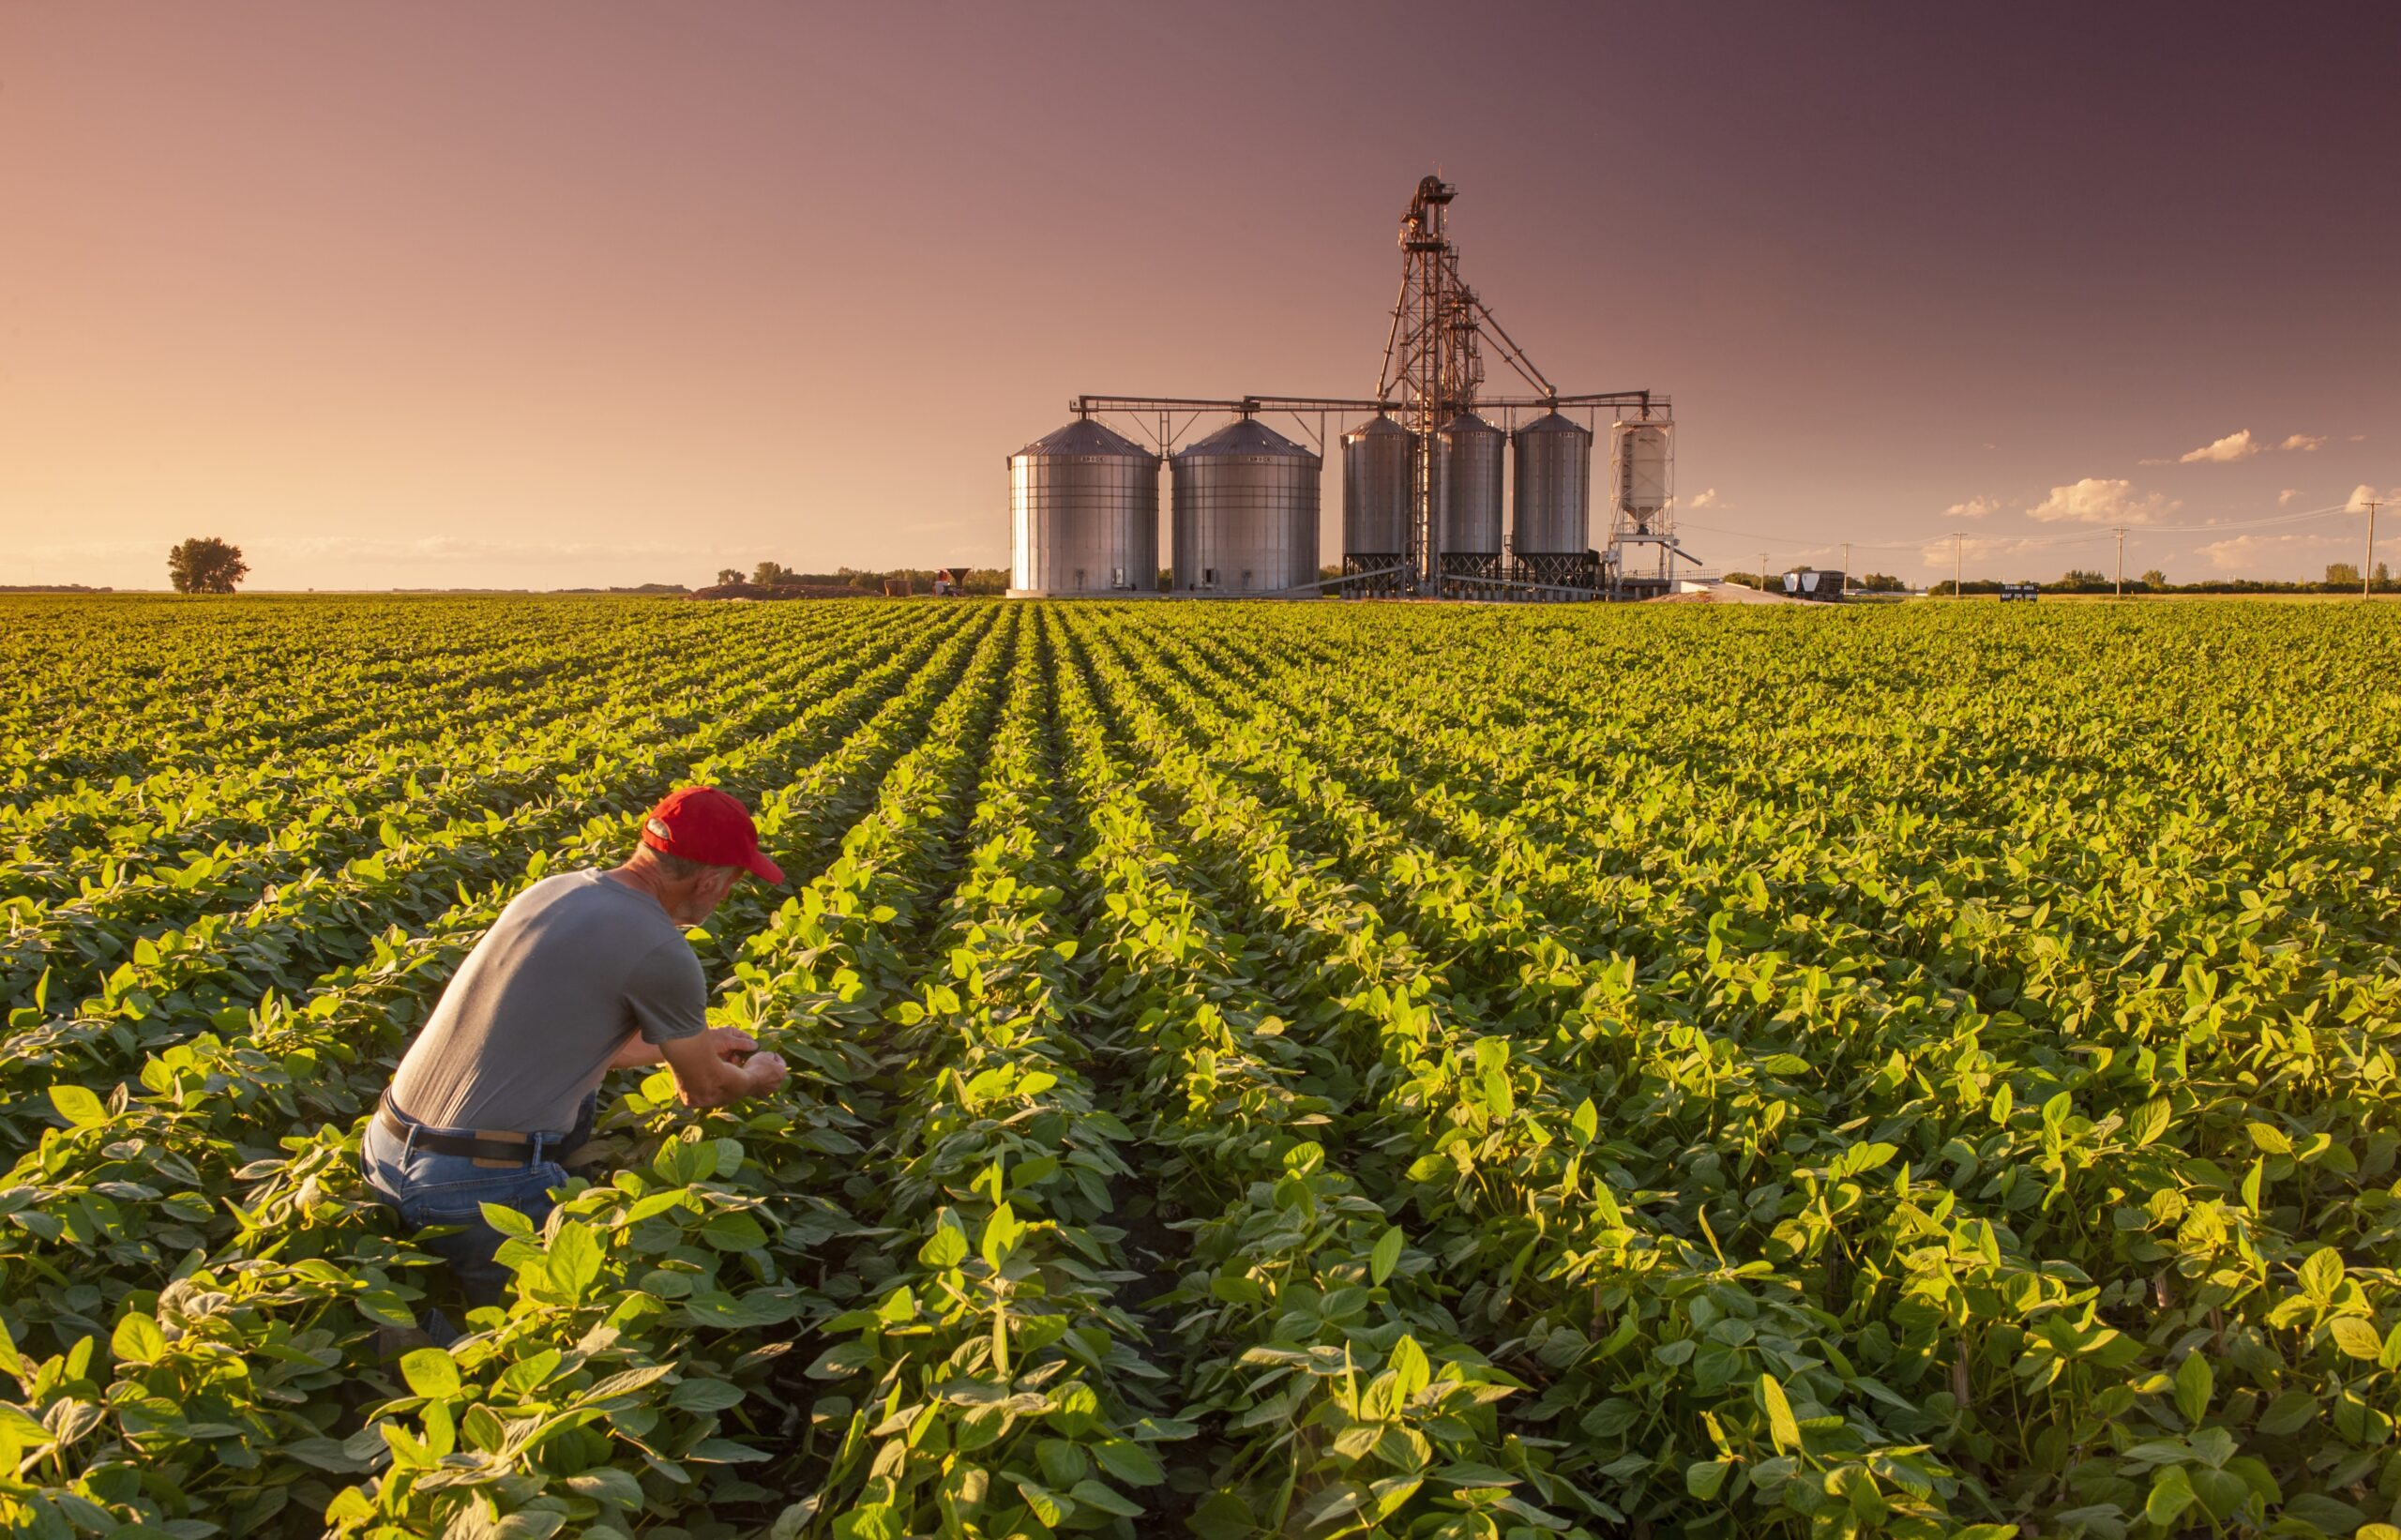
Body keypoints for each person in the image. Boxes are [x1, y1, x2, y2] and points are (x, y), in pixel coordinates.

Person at [361, 785, 790, 1334]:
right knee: (569, 1330)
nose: (725, 896)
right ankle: (440, 1356)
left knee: (467, 1311)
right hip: (476, 1186)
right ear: (710, 880)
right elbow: (704, 1092)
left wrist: (693, 1044)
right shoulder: (662, 949)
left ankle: (413, 1331)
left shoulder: (555, 890)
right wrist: (754, 1077)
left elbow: (567, 1040)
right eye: (733, 884)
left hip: (385, 1150)